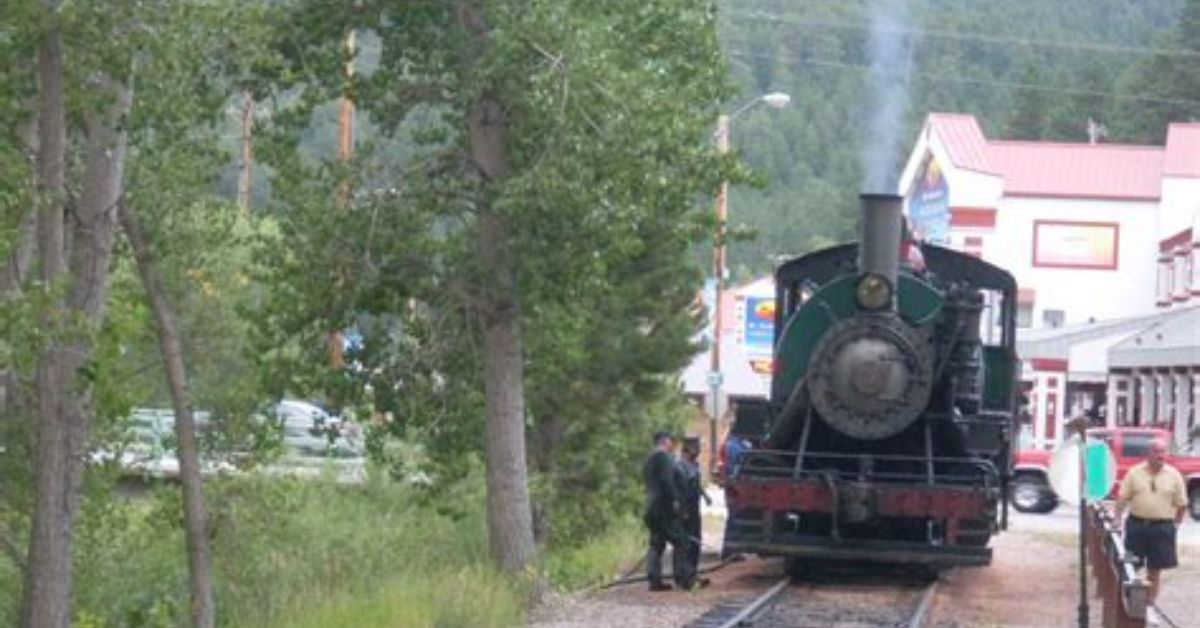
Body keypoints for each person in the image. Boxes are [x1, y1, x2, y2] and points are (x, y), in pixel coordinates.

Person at [1115, 439, 1187, 626]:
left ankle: (1149, 607)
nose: (1161, 455)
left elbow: (1182, 504)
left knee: (1155, 570)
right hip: (1137, 526)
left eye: (1163, 452)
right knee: (1131, 567)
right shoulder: (1134, 473)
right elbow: (1122, 498)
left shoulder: (1174, 475)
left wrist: (1175, 525)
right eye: (1156, 451)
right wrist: (1117, 519)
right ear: (1148, 453)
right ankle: (1128, 605)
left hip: (1162, 528)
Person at [643, 431, 690, 591]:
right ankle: (684, 578)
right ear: (664, 441)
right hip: (663, 508)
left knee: (656, 543)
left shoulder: (649, 459)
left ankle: (654, 579)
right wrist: (675, 499)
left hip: (651, 507)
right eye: (670, 441)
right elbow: (666, 480)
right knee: (681, 541)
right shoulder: (663, 457)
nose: (672, 444)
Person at [674, 436, 712, 589]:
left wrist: (705, 495)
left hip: (694, 508)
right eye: (696, 447)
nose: (699, 450)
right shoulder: (679, 466)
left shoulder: (693, 465)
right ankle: (685, 577)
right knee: (685, 543)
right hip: (685, 509)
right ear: (689, 448)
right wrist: (682, 511)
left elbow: (695, 484)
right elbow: (678, 491)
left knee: (695, 542)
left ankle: (691, 574)